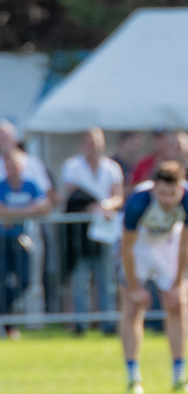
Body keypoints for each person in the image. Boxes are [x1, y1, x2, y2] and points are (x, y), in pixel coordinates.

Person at [119, 161, 188, 394]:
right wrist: (135, 287)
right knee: (133, 308)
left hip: (168, 243)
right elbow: (126, 247)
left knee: (178, 305)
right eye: (163, 194)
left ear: (181, 189)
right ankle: (132, 377)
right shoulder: (138, 202)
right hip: (139, 246)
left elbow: (187, 244)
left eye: (172, 194)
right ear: (154, 188)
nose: (167, 200)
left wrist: (178, 284)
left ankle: (180, 376)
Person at [60, 128, 124, 334]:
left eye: (96, 143)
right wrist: (94, 206)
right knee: (80, 278)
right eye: (89, 143)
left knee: (106, 277)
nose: (93, 147)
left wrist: (105, 206)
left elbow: (118, 196)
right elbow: (72, 193)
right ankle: (81, 323)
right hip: (79, 232)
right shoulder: (72, 166)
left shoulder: (112, 168)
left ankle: (107, 322)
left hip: (103, 230)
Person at [0, 149, 52, 339]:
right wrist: (25, 212)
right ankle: (8, 325)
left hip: (24, 240)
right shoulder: (2, 186)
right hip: (3, 240)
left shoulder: (31, 185)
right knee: (3, 282)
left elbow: (45, 206)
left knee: (26, 280)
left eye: (16, 165)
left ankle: (4, 311)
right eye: (9, 165)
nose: (13, 169)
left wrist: (11, 213)